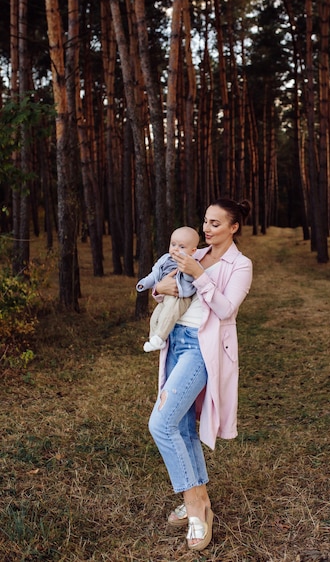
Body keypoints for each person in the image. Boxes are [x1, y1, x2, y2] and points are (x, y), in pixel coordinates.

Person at [148, 198, 253, 551]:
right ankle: (201, 496)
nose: (207, 228)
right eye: (206, 221)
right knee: (177, 425)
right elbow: (161, 285)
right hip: (174, 342)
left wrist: (199, 275)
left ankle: (195, 508)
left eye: (216, 223)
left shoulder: (241, 265)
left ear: (233, 227)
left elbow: (225, 309)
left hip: (201, 350)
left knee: (160, 424)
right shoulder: (195, 250)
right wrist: (159, 288)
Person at [136, 226, 200, 352]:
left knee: (168, 315)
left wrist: (185, 267)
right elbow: (155, 273)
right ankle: (154, 338)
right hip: (166, 296)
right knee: (155, 317)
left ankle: (159, 338)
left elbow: (190, 279)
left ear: (192, 251)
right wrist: (145, 283)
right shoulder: (165, 259)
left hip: (180, 297)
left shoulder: (191, 262)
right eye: (173, 244)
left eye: (182, 247)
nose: (176, 249)